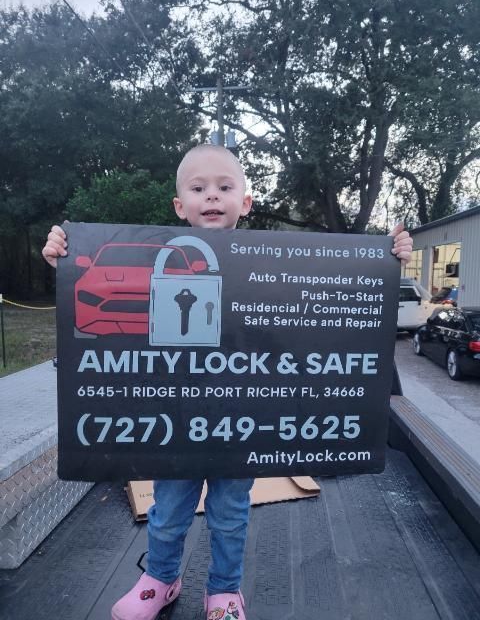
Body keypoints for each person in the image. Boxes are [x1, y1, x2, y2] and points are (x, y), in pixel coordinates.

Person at [42, 144, 413, 620]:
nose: (211, 197)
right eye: (198, 189)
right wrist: (65, 261)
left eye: (224, 187)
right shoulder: (155, 257)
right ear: (180, 205)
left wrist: (388, 258)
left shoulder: (278, 267)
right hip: (173, 419)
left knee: (230, 513)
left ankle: (223, 592)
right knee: (168, 511)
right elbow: (97, 293)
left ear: (246, 201)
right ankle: (160, 578)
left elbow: (338, 288)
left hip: (241, 423)